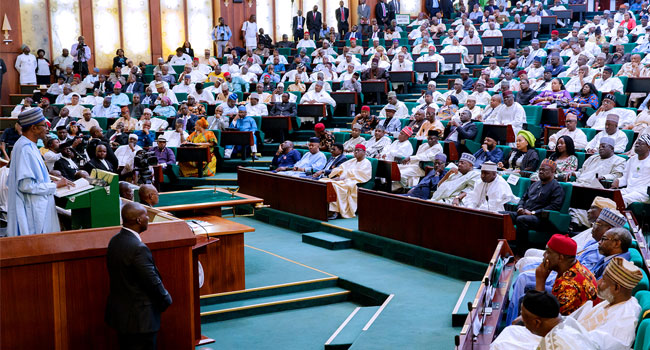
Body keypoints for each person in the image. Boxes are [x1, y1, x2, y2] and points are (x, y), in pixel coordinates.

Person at [105, 202, 172, 350]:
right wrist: (166, 299)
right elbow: (151, 281)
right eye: (145, 215)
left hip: (121, 316)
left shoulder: (115, 240)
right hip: (140, 320)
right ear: (139, 220)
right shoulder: (138, 249)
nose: (148, 218)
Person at [8, 108, 72, 236]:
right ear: (33, 128)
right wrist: (55, 185)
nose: (47, 129)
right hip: (33, 214)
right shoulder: (25, 149)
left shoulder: (29, 145)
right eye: (44, 125)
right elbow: (25, 185)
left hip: (37, 207)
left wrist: (52, 180)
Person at [569, 256, 643, 349]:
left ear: (617, 288)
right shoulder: (615, 300)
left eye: (603, 280)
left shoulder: (623, 322)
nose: (598, 282)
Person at [491, 290, 598, 350]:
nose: (521, 320)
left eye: (524, 317)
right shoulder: (568, 322)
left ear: (537, 322)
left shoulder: (556, 345)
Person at [507, 159, 565, 254]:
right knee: (504, 215)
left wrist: (533, 213)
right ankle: (504, 247)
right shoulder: (534, 184)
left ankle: (520, 253)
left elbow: (554, 207)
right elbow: (523, 198)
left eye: (544, 170)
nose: (541, 171)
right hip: (526, 213)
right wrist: (520, 207)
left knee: (522, 219)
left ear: (552, 172)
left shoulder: (556, 187)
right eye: (540, 169)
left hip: (542, 219)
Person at [321, 144, 372, 219]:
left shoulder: (366, 162)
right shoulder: (352, 160)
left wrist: (342, 177)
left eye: (358, 150)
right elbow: (341, 168)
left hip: (352, 182)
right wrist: (337, 174)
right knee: (322, 181)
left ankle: (335, 211)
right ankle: (324, 208)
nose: (356, 152)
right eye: (355, 150)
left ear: (364, 152)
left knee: (335, 186)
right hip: (343, 180)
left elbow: (361, 175)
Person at [612, 135, 650, 205]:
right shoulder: (632, 160)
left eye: (641, 144)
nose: (637, 145)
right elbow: (625, 179)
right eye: (636, 143)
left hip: (643, 193)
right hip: (629, 190)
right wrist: (618, 181)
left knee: (622, 199)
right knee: (609, 196)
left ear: (648, 147)